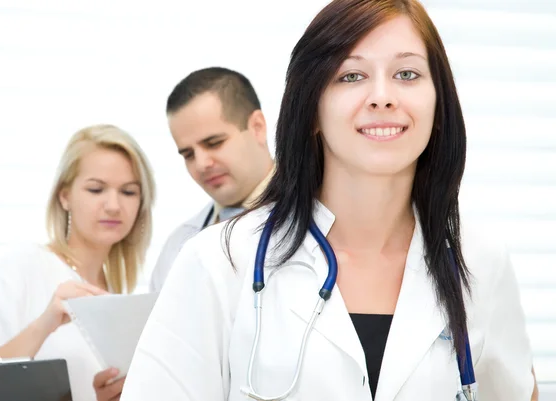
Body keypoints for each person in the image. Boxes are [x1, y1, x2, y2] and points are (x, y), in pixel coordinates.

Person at [121, 1, 538, 400]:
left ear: (439, 104)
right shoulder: (219, 261)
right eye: (351, 76)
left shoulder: (480, 262)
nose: (382, 96)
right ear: (312, 110)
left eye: (407, 74)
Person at [0, 124, 156, 401]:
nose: (113, 205)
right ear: (64, 196)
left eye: (129, 192)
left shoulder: (121, 297)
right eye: (96, 189)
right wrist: (44, 325)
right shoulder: (18, 272)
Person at [150, 67, 274, 294]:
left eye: (214, 143)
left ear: (257, 127)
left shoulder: (323, 218)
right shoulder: (179, 245)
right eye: (188, 154)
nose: (201, 164)